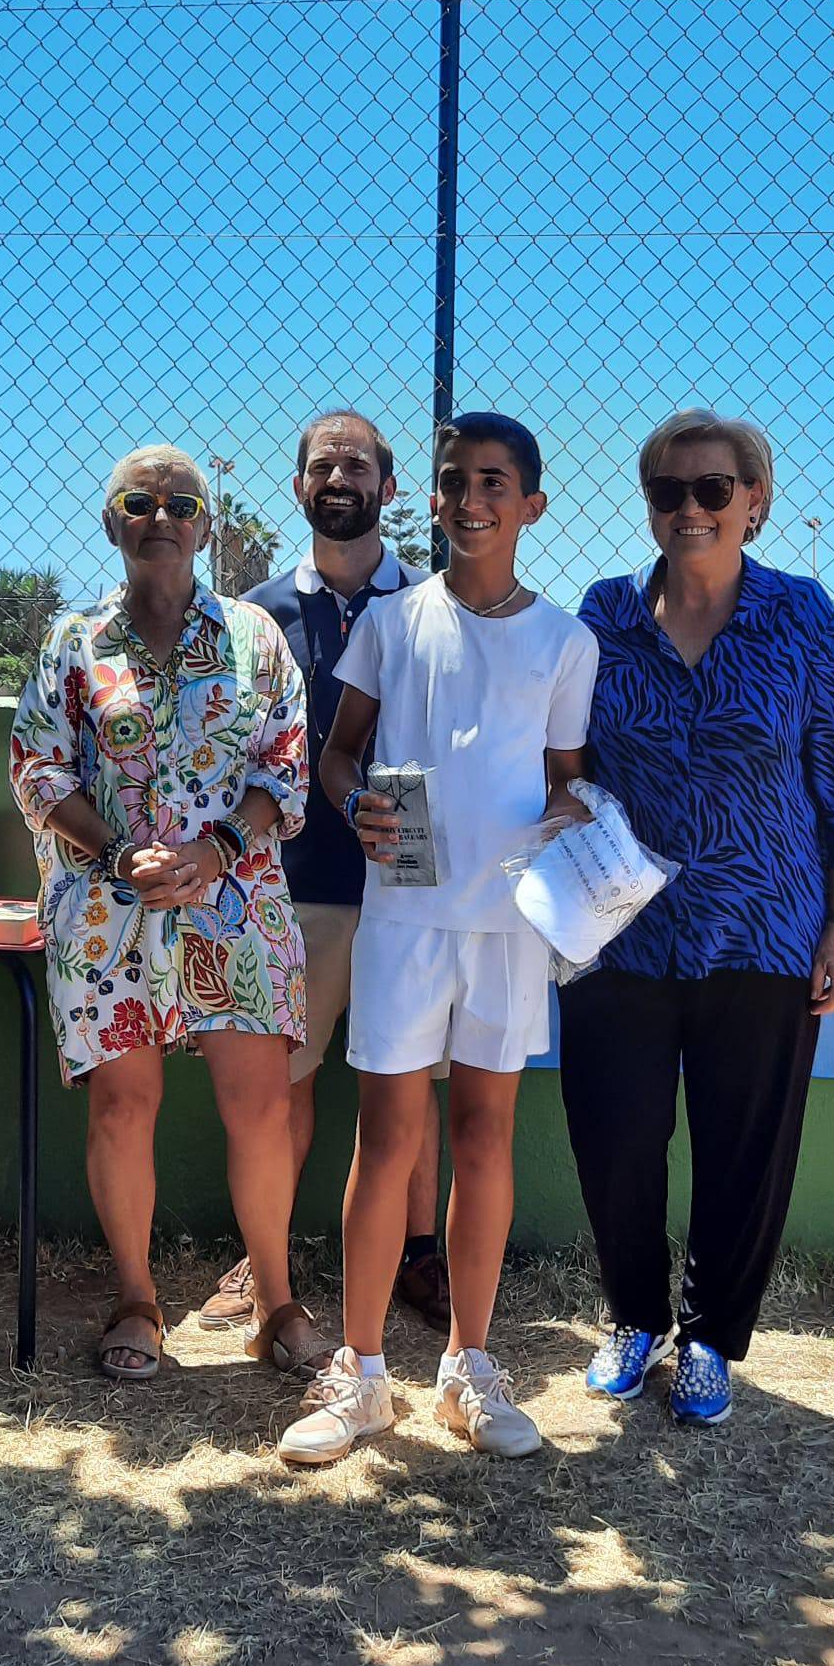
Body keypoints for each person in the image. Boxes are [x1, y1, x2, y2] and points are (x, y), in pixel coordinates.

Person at [277, 411, 599, 1465]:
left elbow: (566, 780)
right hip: (403, 917)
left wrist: (572, 817)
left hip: (508, 928)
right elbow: (339, 755)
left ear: (531, 505)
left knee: (485, 1137)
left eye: (494, 483)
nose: (472, 500)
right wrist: (354, 801)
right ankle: (363, 1374)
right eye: (456, 480)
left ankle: (467, 1365)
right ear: (433, 497)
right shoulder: (390, 621)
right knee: (386, 1139)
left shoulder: (566, 642)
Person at [557, 409, 834, 1426]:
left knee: (745, 1149)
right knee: (616, 1139)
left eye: (713, 489)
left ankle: (710, 1338)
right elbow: (566, 761)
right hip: (622, 935)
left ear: (755, 500)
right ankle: (635, 1320)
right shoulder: (605, 612)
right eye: (669, 490)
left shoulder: (800, 612)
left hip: (765, 928)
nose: (690, 508)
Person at [10, 444, 330, 1382]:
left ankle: (275, 1304)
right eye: (139, 502)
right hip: (107, 914)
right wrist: (118, 854)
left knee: (261, 1106)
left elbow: (285, 765)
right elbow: (39, 769)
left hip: (235, 906)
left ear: (206, 525)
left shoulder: (254, 639)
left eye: (181, 504)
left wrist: (216, 850)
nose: (161, 518)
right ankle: (138, 1302)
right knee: (123, 1105)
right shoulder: (74, 644)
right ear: (111, 520)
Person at [199, 410, 451, 1338]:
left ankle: (420, 1256)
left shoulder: (432, 604)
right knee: (285, 1085)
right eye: (322, 466)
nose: (339, 478)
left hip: (405, 888)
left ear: (389, 487)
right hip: (291, 889)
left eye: (357, 465)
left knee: (410, 1083)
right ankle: (266, 1261)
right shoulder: (251, 614)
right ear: (299, 487)